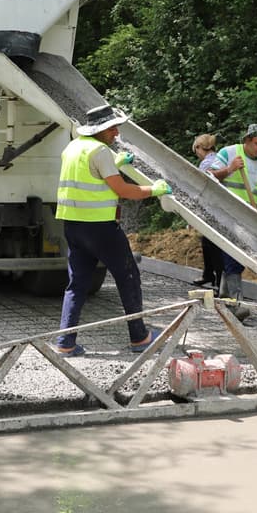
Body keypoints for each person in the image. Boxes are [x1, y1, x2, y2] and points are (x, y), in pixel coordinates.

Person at [54, 104, 172, 357]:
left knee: (77, 284)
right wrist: (154, 190)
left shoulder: (72, 147)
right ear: (98, 130)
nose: (116, 133)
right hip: (100, 228)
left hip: (73, 226)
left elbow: (89, 175)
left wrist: (115, 162)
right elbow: (123, 190)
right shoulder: (100, 151)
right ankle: (140, 338)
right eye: (111, 129)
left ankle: (65, 342)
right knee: (128, 276)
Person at [209, 123, 257, 321]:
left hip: (247, 216)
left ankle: (224, 294)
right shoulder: (228, 153)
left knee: (235, 255)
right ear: (247, 140)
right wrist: (230, 169)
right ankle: (236, 302)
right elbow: (208, 176)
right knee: (233, 256)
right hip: (224, 211)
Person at [192, 133, 224, 291]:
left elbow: (202, 187)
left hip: (213, 208)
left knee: (213, 244)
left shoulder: (206, 164)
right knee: (207, 241)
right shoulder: (220, 158)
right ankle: (209, 274)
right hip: (221, 207)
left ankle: (218, 280)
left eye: (195, 151)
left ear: (199, 147)